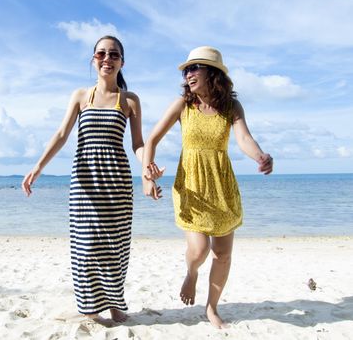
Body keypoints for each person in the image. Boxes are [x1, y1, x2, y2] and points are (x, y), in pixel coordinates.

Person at [22, 36, 155, 326]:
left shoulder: (130, 100)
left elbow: (138, 143)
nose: (107, 59)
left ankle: (116, 305)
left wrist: (147, 167)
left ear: (122, 61)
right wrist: (38, 167)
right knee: (86, 245)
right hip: (84, 181)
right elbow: (61, 135)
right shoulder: (81, 95)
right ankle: (90, 308)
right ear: (93, 59)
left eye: (114, 54)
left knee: (115, 244)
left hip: (117, 181)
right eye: (101, 54)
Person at [142, 46, 273, 328]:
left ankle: (212, 308)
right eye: (186, 70)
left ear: (211, 73)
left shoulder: (231, 107)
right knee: (199, 251)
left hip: (221, 185)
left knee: (223, 254)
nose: (188, 74)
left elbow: (244, 139)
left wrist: (260, 156)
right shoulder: (182, 105)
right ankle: (191, 272)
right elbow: (151, 139)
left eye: (194, 68)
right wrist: (147, 173)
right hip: (192, 185)